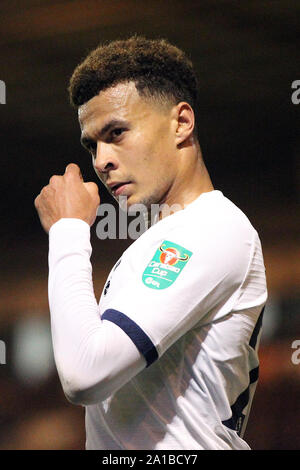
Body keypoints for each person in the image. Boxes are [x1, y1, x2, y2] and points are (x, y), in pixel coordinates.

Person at [34, 36, 267, 450]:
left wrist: (68, 232)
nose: (101, 159)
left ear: (181, 123)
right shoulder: (160, 240)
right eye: (92, 144)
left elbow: (85, 375)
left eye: (117, 132)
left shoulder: (212, 228)